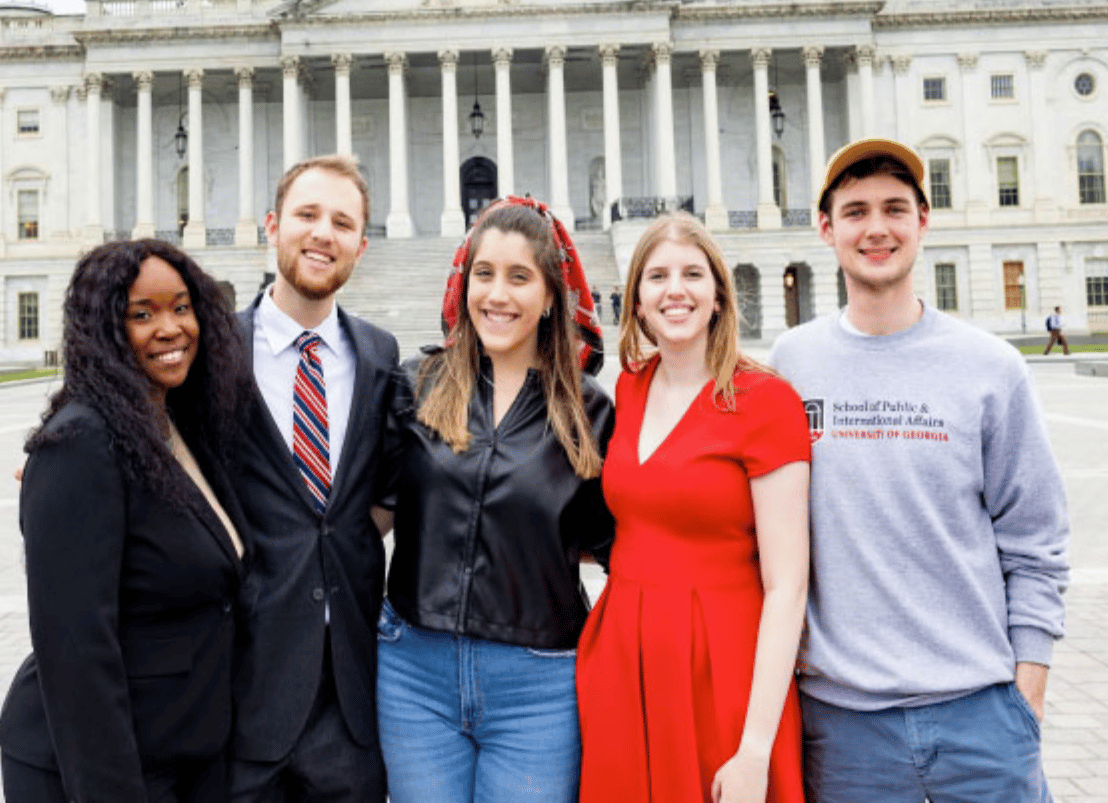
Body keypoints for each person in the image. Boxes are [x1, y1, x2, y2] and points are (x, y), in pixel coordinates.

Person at [770, 137, 1070, 803]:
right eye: (855, 212)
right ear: (825, 228)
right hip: (844, 727)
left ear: (922, 221)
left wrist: (1028, 694)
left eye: (894, 209)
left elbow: (1037, 541)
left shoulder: (992, 368)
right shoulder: (790, 365)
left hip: (981, 715)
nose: (876, 228)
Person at [376, 197, 614, 803]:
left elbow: (613, 544)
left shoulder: (589, 412)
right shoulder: (417, 386)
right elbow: (370, 514)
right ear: (465, 283)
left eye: (519, 277)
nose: (497, 295)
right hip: (414, 672)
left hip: (538, 682)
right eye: (484, 274)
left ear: (550, 295)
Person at [0, 239, 253, 803]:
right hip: (106, 768)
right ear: (104, 330)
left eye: (182, 307)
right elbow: (76, 650)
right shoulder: (81, 440)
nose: (170, 328)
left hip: (180, 753)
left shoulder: (178, 425)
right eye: (142, 314)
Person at [576, 212, 812, 803]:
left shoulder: (766, 401)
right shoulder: (630, 387)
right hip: (624, 662)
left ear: (717, 296)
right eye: (657, 276)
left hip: (723, 667)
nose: (674, 290)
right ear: (636, 300)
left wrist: (755, 746)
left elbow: (788, 585)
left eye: (692, 274)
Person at [230, 155, 400, 803]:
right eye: (307, 215)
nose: (322, 232)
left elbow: (387, 487)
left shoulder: (381, 355)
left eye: (342, 221)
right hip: (241, 693)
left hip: (349, 704)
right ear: (273, 226)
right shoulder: (214, 350)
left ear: (362, 243)